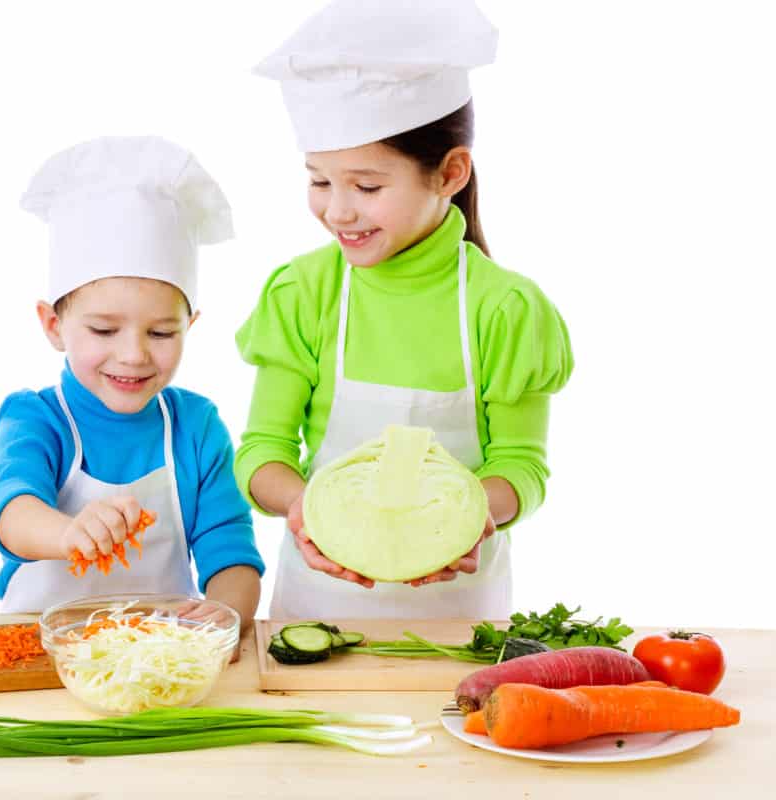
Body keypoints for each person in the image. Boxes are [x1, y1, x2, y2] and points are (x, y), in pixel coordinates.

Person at [236, 0, 573, 619]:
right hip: (317, 603)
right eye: (319, 181)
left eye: (366, 187)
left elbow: (521, 466)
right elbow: (263, 449)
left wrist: (472, 518)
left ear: (449, 173)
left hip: (459, 613)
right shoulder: (301, 291)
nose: (338, 211)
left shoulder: (506, 307)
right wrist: (302, 507)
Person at [0, 136, 264, 627]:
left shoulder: (195, 426)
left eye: (161, 332)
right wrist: (69, 533)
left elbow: (231, 550)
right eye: (104, 330)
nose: (133, 355)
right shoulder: (36, 417)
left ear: (190, 327)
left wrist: (226, 614)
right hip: (36, 651)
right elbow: (12, 510)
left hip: (160, 657)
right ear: (53, 325)